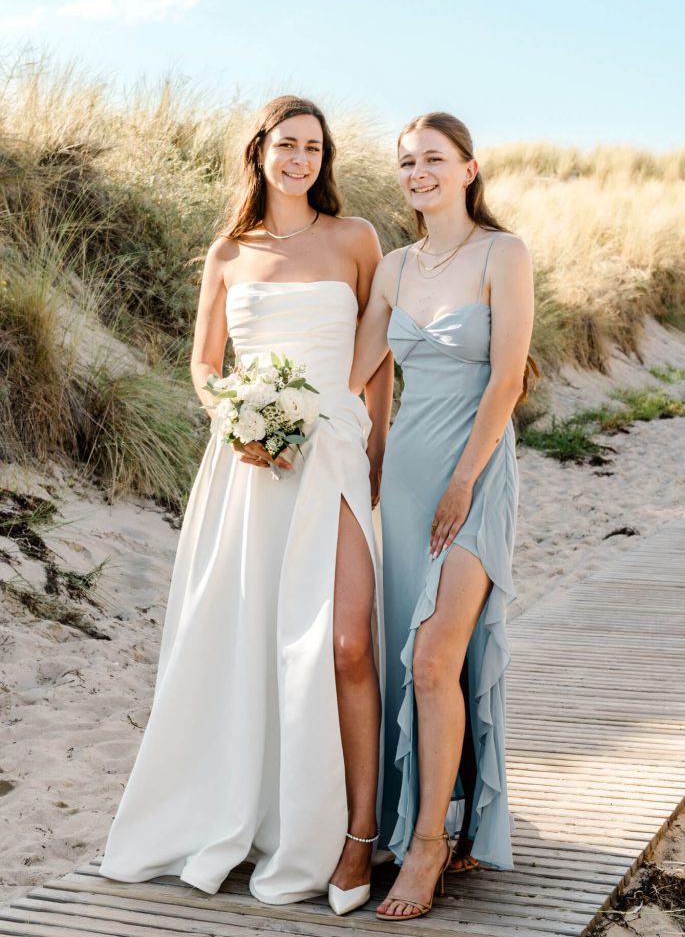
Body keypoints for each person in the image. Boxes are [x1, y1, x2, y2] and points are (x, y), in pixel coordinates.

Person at [99, 95, 393, 909]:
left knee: (344, 644)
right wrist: (235, 420)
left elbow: (378, 360)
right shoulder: (228, 251)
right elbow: (204, 363)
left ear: (323, 160)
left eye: (313, 148)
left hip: (335, 452)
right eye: (287, 144)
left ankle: (355, 836)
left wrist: (375, 457)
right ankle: (259, 818)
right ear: (259, 150)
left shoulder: (355, 239)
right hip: (252, 463)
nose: (299, 159)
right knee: (252, 642)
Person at [350, 111, 535, 921]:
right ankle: (435, 819)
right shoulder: (394, 268)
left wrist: (463, 482)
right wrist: (269, 399)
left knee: (433, 659)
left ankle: (427, 846)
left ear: (467, 169)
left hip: (477, 475)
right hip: (406, 482)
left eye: (432, 159)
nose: (417, 173)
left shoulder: (503, 253)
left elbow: (507, 381)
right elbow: (355, 370)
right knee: (416, 662)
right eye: (405, 163)